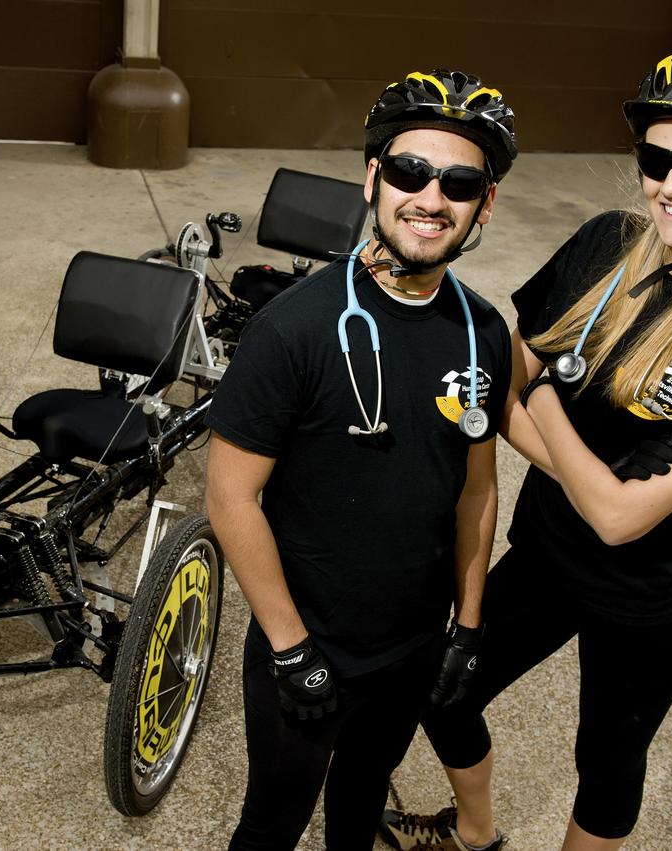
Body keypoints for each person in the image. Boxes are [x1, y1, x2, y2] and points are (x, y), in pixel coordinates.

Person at [378, 45, 672, 851]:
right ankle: (474, 833)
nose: (671, 184)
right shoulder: (608, 242)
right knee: (443, 688)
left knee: (605, 761)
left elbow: (619, 516)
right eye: (657, 158)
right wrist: (572, 456)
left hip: (653, 596)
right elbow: (503, 383)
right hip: (547, 550)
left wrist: (539, 396)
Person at [204, 69, 517, 850]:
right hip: (307, 640)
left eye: (460, 182)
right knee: (271, 824)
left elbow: (477, 487)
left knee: (358, 809)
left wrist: (467, 626)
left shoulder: (482, 330)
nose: (431, 198)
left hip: (411, 645)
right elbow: (230, 497)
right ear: (374, 176)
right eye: (410, 172)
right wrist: (289, 646)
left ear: (484, 202)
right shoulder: (293, 329)